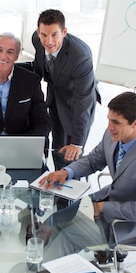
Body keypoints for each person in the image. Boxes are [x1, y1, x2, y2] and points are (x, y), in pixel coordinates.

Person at [39, 91, 136, 254]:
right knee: (52, 220)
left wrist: (102, 207)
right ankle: (39, 267)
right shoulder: (113, 135)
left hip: (125, 225)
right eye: (109, 119)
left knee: (64, 233)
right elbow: (93, 160)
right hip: (103, 202)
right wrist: (67, 172)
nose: (109, 127)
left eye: (116, 122)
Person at [31, 9, 101, 165]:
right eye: (44, 35)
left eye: (54, 35)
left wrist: (77, 143)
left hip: (77, 100)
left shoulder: (80, 56)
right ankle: (56, 182)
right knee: (58, 148)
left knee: (71, 154)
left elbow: (83, 102)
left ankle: (72, 184)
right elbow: (39, 66)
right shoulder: (37, 40)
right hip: (56, 96)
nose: (48, 41)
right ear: (38, 32)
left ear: (64, 32)